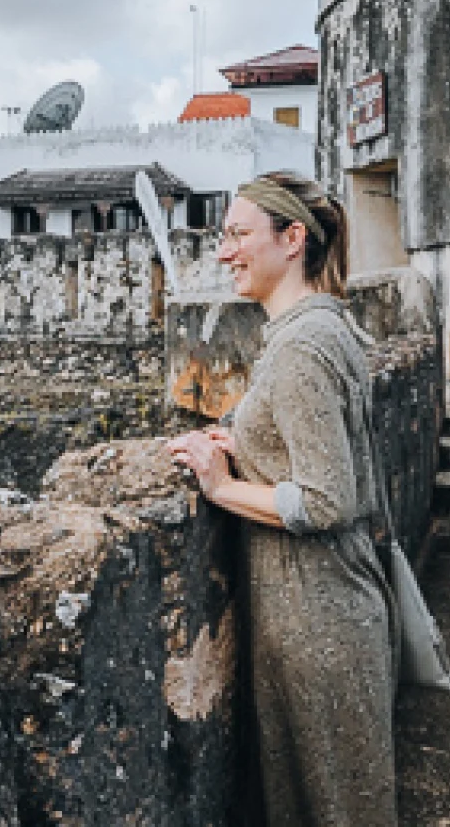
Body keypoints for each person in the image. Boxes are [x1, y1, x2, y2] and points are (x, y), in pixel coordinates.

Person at [167, 170, 398, 827]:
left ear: (292, 238)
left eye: (238, 235)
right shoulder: (320, 327)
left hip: (320, 623)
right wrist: (242, 439)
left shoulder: (302, 346)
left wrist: (221, 485)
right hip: (321, 614)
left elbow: (326, 499)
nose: (224, 252)